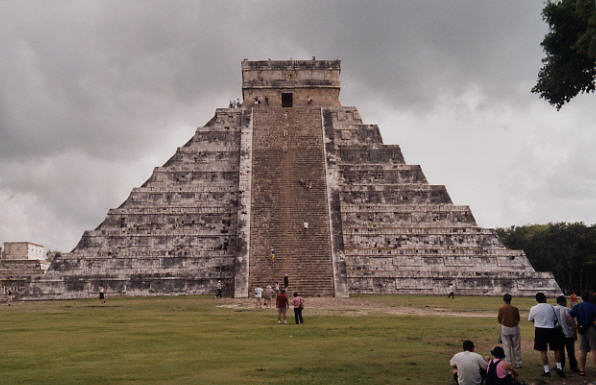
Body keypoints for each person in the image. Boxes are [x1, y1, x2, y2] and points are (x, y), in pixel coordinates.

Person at [528, 292, 564, 377]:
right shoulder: (551, 306)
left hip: (540, 330)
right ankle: (559, 368)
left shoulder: (533, 308)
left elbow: (530, 319)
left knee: (543, 351)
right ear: (544, 298)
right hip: (551, 328)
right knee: (556, 349)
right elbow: (556, 319)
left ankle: (547, 370)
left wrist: (538, 322)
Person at [567, 291, 596, 376]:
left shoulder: (578, 306)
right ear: (589, 298)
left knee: (583, 351)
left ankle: (582, 370)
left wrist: (574, 325)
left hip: (581, 329)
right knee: (594, 349)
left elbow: (569, 315)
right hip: (591, 328)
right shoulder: (592, 306)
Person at [554, 295, 578, 372]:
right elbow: (573, 324)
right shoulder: (568, 310)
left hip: (557, 333)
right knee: (571, 352)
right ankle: (573, 367)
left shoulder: (553, 309)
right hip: (568, 333)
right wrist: (575, 334)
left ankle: (560, 366)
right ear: (564, 302)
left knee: (560, 351)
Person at [497, 294, 522, 368]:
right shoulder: (515, 308)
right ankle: (518, 363)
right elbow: (518, 318)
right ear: (510, 299)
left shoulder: (501, 308)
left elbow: (499, 319)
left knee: (506, 346)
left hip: (505, 328)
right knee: (516, 346)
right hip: (514, 327)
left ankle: (508, 362)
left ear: (504, 300)